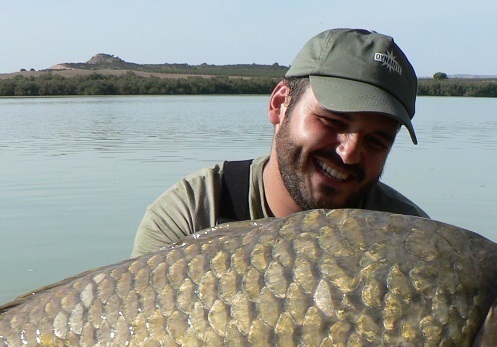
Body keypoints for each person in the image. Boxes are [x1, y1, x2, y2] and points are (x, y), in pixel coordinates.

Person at [131, 28, 428, 258]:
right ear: (279, 104)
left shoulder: (411, 239)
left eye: (377, 140)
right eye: (332, 122)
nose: (349, 153)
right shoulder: (190, 215)